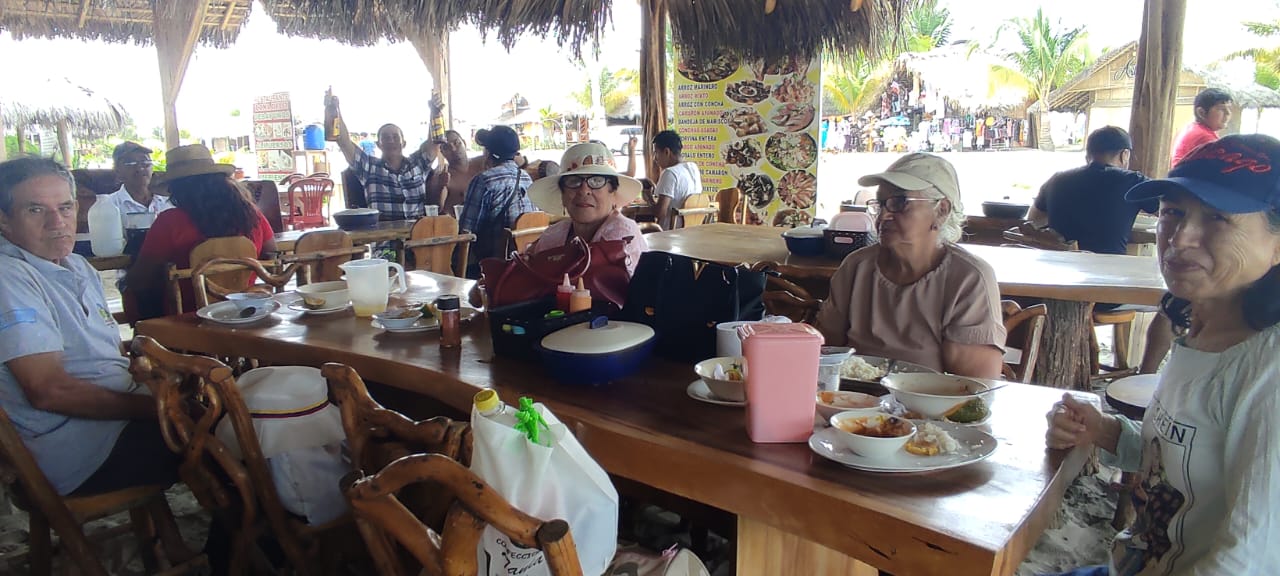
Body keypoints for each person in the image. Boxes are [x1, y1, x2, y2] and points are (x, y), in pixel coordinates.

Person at [1045, 134, 1280, 575]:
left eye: (1217, 217)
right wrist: (1104, 430)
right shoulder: (1202, 330)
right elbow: (1179, 459)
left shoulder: (1267, 369)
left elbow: (1247, 560)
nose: (1180, 237)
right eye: (1172, 212)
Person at [0, 157, 179, 497]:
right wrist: (159, 408)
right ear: (4, 221)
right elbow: (48, 390)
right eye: (35, 210)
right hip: (76, 452)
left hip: (112, 423)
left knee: (234, 418)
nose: (57, 223)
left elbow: (102, 354)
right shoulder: (8, 276)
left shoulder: (77, 266)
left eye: (65, 207)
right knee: (228, 437)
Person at [815, 153, 1006, 378]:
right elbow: (824, 350)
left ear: (941, 210)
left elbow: (976, 386)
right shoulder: (857, 266)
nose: (884, 215)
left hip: (928, 399)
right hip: (849, 397)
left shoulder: (968, 278)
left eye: (899, 203)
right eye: (881, 204)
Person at [127, 144, 277, 316]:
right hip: (246, 311)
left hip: (188, 318)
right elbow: (271, 255)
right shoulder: (252, 216)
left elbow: (140, 279)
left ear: (177, 188)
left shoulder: (169, 222)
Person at [526, 142, 649, 276]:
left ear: (613, 193)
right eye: (574, 181)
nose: (584, 191)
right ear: (563, 195)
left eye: (596, 181)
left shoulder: (623, 238)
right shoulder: (552, 236)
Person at [1029, 126, 1155, 256]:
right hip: (1109, 266)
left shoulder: (1056, 180)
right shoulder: (1133, 181)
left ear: (1087, 156)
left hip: (1059, 264)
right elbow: (1166, 207)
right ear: (1125, 155)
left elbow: (1033, 221)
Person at [332, 94, 448, 221]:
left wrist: (434, 111)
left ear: (404, 143)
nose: (391, 140)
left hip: (417, 232)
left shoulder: (418, 163)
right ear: (378, 144)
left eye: (395, 137)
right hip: (384, 233)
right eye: (385, 137)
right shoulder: (368, 167)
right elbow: (344, 142)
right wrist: (335, 109)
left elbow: (435, 142)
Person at [458, 125, 536, 278]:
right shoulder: (526, 177)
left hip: (493, 266)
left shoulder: (484, 180)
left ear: (487, 153)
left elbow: (467, 229)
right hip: (525, 261)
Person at [105, 141, 171, 219]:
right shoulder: (109, 205)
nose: (140, 168)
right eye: (131, 163)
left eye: (145, 162)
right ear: (117, 171)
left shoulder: (168, 202)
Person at [652, 130, 702, 230]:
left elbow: (660, 213)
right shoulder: (693, 168)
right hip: (693, 231)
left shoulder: (670, 173)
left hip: (670, 233)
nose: (655, 158)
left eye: (656, 153)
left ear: (666, 152)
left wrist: (648, 198)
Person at [1171, 88, 1232, 166]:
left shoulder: (1193, 128)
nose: (1228, 113)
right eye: (1221, 109)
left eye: (1229, 108)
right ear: (1201, 113)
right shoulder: (1204, 136)